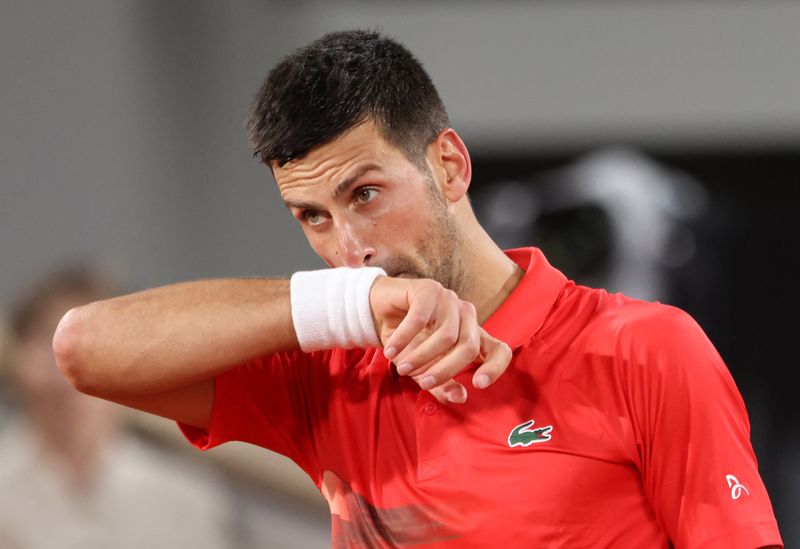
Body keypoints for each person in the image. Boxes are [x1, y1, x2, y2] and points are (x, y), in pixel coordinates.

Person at [53, 30, 782, 548]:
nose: (349, 246)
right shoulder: (333, 372)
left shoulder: (646, 349)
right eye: (312, 216)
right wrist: (347, 305)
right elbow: (84, 347)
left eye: (365, 193)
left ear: (450, 166)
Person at [1, 263, 237, 549]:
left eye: (98, 345)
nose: (69, 375)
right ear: (18, 358)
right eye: (49, 342)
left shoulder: (184, 503)